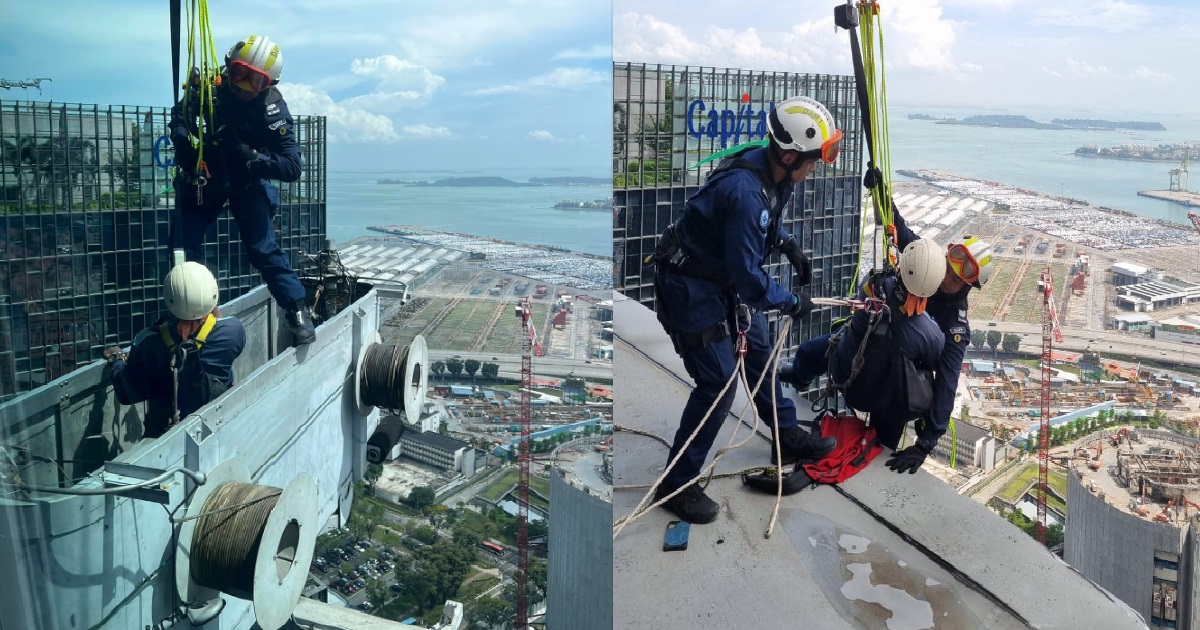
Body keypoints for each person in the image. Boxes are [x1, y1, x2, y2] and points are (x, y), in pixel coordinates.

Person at [649, 95, 844, 524]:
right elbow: (750, 282)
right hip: (690, 287)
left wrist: (787, 243)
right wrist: (793, 301)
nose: (814, 171)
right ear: (790, 155)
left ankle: (786, 434)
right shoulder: (744, 193)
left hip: (716, 279)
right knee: (718, 383)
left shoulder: (773, 170)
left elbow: (760, 228)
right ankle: (676, 484)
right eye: (812, 161)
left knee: (760, 350)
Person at [783, 216, 993, 474]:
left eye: (955, 278)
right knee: (808, 352)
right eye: (947, 267)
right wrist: (886, 205)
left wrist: (925, 443)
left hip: (897, 378)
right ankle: (799, 376)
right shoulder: (929, 265)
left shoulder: (952, 328)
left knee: (883, 445)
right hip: (868, 345)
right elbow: (905, 237)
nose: (945, 276)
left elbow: (946, 382)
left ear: (967, 286)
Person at [168, 34, 315, 346]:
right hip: (206, 175)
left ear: (268, 84)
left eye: (255, 81)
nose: (242, 85)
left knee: (263, 249)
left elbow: (292, 166)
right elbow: (180, 117)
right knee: (182, 245)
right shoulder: (209, 89)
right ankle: (186, 310)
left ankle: (297, 309)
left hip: (246, 178)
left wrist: (249, 155)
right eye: (239, 74)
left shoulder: (271, 110)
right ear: (227, 67)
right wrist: (184, 148)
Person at [105, 262, 246, 438]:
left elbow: (128, 394)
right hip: (217, 426)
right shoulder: (233, 331)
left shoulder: (146, 341)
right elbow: (219, 323)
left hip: (165, 437)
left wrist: (116, 360)